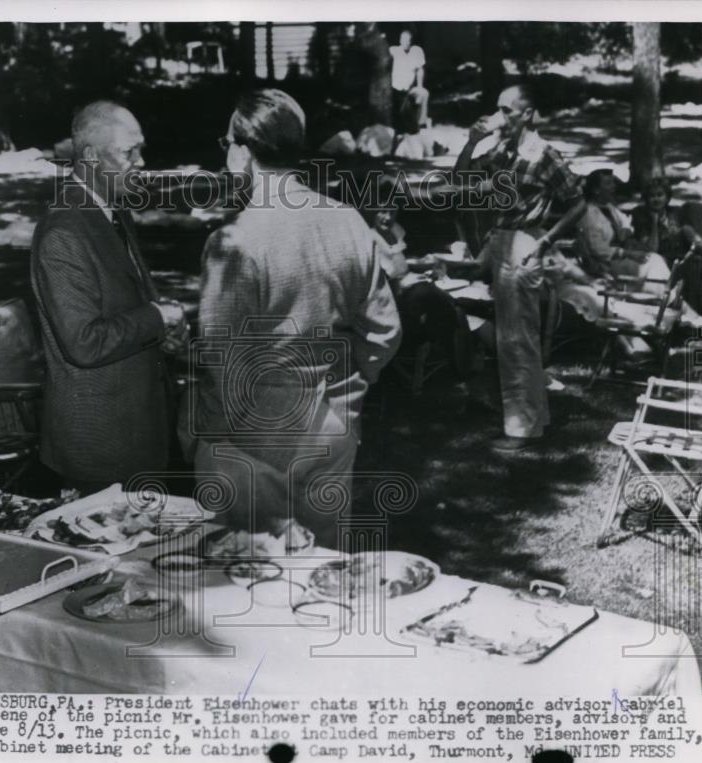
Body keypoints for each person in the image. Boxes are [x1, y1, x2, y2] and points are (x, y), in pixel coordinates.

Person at [183, 89, 402, 548]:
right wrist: (347, 390)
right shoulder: (347, 220)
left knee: (248, 580)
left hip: (254, 440)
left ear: (243, 153)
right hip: (333, 427)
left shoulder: (235, 240)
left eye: (227, 145)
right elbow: (385, 329)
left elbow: (222, 362)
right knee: (320, 581)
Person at [30, 100, 187, 494]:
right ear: (89, 157)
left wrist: (164, 335)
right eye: (128, 152)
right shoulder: (63, 233)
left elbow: (128, 307)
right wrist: (155, 317)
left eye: (141, 150)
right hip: (100, 445)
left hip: (141, 431)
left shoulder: (113, 211)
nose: (141, 162)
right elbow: (84, 342)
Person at [453, 84, 586, 452]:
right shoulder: (504, 151)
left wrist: (546, 241)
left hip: (526, 242)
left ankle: (522, 431)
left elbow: (577, 203)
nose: (502, 117)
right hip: (502, 242)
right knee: (511, 338)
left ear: (527, 113)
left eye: (507, 110)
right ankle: (533, 419)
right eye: (499, 110)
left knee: (517, 340)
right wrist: (471, 140)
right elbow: (461, 180)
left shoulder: (544, 154)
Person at [369, 205, 472, 379]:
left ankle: (459, 366)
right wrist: (406, 283)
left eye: (392, 211)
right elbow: (381, 283)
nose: (388, 217)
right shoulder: (370, 240)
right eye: (382, 212)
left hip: (410, 296)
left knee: (446, 304)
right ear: (372, 212)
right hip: (391, 305)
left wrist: (420, 274)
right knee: (436, 297)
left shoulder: (394, 232)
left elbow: (402, 268)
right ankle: (459, 368)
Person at [631, 177, 702, 334]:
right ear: (646, 198)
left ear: (667, 196)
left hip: (685, 257)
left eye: (660, 194)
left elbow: (691, 234)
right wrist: (654, 223)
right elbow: (652, 249)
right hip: (663, 264)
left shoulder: (675, 213)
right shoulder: (640, 216)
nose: (656, 199)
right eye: (652, 196)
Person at [389, 30, 429, 132]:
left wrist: (420, 86)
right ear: (400, 41)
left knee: (424, 93)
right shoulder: (394, 51)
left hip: (409, 89)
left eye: (408, 40)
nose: (406, 43)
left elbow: (420, 69)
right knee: (402, 112)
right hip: (395, 90)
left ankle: (421, 124)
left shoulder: (416, 51)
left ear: (411, 41)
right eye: (404, 40)